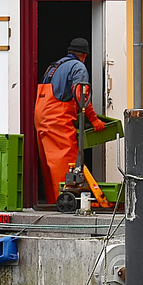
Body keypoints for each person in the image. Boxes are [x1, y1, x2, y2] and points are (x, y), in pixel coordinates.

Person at [33, 37, 105, 205]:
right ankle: (67, 203)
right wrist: (94, 120)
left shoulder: (53, 67)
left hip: (41, 117)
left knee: (49, 165)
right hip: (57, 119)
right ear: (84, 56)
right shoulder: (78, 67)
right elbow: (81, 95)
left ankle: (54, 201)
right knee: (67, 163)